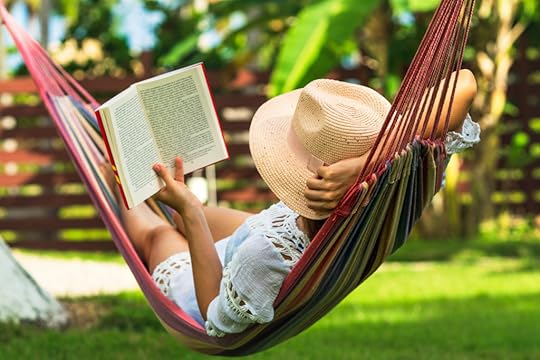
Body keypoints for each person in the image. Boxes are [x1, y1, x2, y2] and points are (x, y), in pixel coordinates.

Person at [101, 69, 480, 337]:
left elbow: (214, 316)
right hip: (266, 226)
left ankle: (112, 176)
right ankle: (168, 200)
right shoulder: (401, 182)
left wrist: (190, 211)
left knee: (159, 235)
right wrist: (369, 163)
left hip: (218, 276)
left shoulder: (265, 258)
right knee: (179, 215)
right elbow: (465, 81)